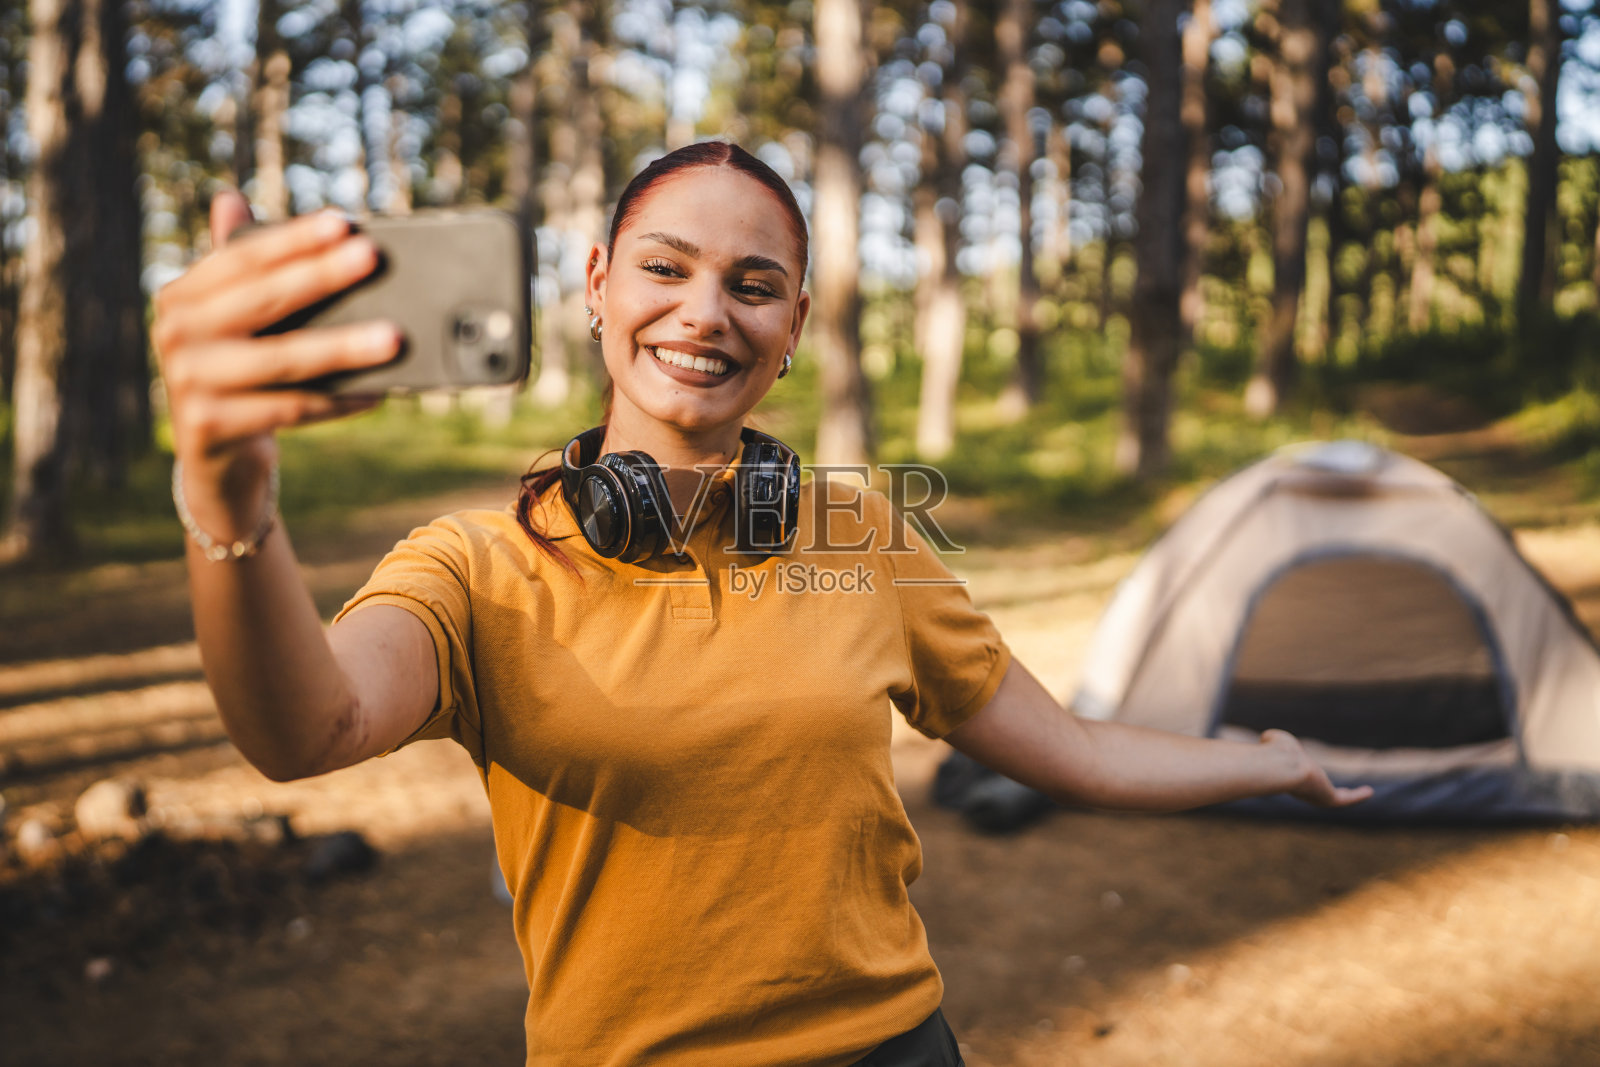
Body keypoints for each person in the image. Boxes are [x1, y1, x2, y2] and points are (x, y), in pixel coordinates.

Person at [152, 142, 1369, 1067]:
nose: (703, 312)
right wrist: (226, 494)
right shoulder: (476, 568)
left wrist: (1261, 761)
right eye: (664, 267)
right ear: (597, 283)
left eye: (753, 283)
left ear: (790, 326)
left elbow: (1077, 748)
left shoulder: (864, 537)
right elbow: (303, 729)